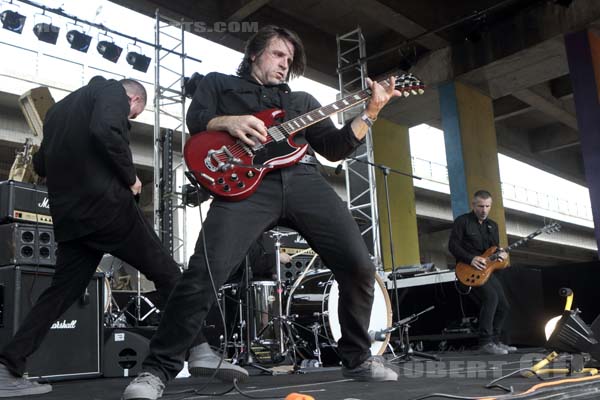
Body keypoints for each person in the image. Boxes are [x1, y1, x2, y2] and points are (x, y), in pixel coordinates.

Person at [122, 24, 403, 399]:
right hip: (248, 187)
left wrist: (371, 110)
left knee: (359, 265)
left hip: (304, 180)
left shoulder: (302, 101)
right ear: (254, 53)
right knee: (204, 272)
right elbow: (197, 120)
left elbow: (335, 148)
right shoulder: (219, 84)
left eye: (290, 59)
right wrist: (229, 121)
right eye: (278, 54)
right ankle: (157, 371)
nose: (285, 63)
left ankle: (356, 357)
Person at [0, 76, 245, 398]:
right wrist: (130, 177)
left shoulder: (58, 112)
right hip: (109, 209)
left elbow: (41, 163)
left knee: (58, 295)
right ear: (135, 101)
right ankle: (199, 349)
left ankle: (6, 368)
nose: (129, 119)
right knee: (169, 274)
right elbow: (105, 129)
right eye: (133, 117)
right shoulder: (110, 90)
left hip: (72, 218)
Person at [448, 190, 516, 355]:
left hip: (487, 271)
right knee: (491, 297)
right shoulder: (462, 221)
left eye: (487, 206)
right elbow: (453, 246)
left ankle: (495, 341)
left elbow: (493, 249)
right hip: (467, 269)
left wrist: (501, 254)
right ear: (473, 205)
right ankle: (485, 342)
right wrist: (471, 259)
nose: (484, 210)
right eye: (480, 206)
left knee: (504, 306)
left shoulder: (493, 226)